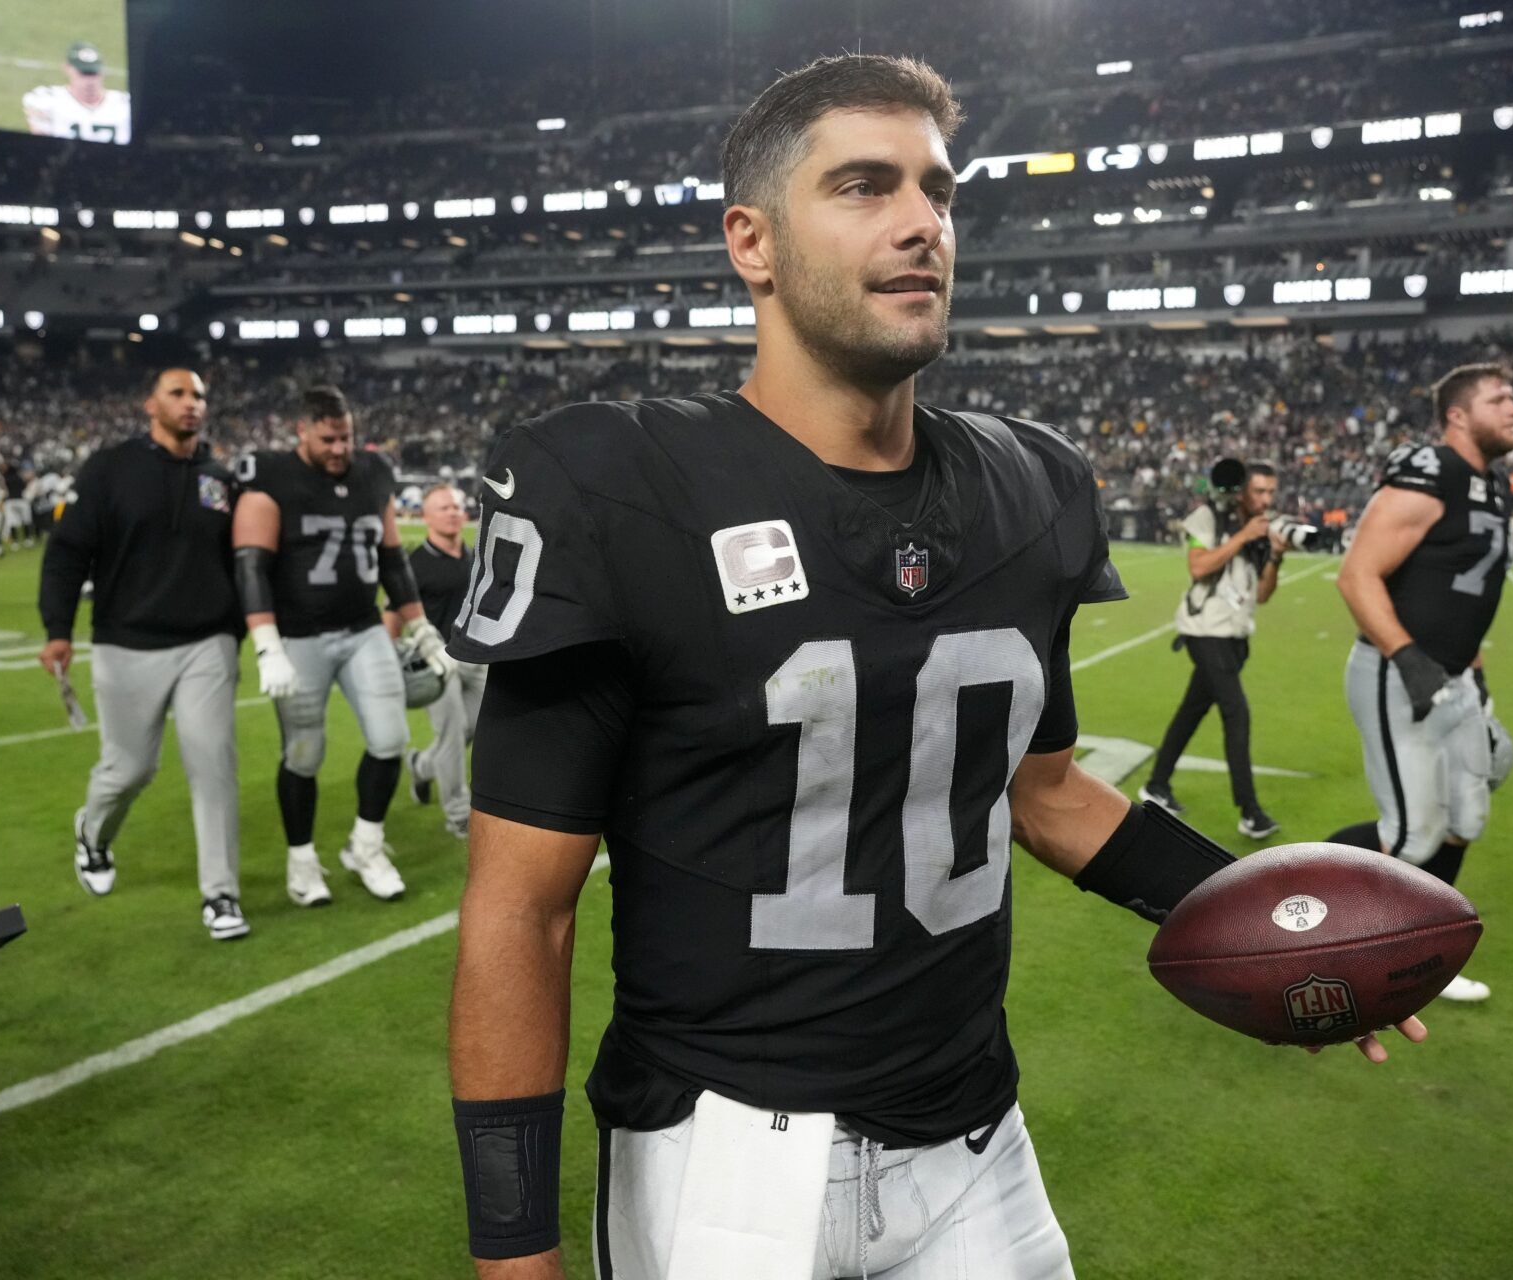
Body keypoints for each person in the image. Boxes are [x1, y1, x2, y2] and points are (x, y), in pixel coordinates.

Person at [445, 55, 1424, 1280]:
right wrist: (512, 1252)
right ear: (750, 241)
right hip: (723, 1157)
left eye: (938, 191)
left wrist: (1273, 918)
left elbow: (1048, 791)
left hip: (976, 1140)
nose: (922, 225)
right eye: (862, 186)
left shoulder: (1031, 485)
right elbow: (520, 910)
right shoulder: (619, 485)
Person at [1332, 363, 1513, 1004]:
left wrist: (1479, 683)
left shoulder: (1490, 486)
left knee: (1466, 814)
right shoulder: (1431, 471)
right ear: (1458, 415)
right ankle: (1293, 894)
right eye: (1500, 398)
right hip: (1398, 675)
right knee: (1413, 832)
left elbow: (1461, 602)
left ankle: (1422, 952)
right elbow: (1358, 575)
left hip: (1455, 677)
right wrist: (1410, 660)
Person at [36, 369, 247, 940]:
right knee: (129, 769)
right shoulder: (110, 468)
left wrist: (242, 631)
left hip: (207, 642)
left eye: (200, 395)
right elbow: (68, 551)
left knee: (213, 764)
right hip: (125, 641)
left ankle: (221, 894)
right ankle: (94, 834)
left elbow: (245, 564)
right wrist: (58, 628)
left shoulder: (222, 479)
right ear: (149, 403)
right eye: (178, 393)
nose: (191, 404)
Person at [231, 385, 455, 907]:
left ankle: (366, 846)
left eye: (346, 437)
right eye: (328, 439)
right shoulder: (272, 475)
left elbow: (393, 559)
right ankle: (302, 861)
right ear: (301, 433)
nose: (338, 449)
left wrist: (421, 628)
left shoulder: (373, 473)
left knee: (389, 739)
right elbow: (252, 565)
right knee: (305, 754)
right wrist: (266, 643)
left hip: (363, 630)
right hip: (299, 636)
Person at [1138, 459, 1286, 840]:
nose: (1266, 499)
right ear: (1241, 491)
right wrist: (1241, 537)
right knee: (1236, 712)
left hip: (1235, 635)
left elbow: (1265, 594)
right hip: (1205, 631)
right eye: (1259, 491)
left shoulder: (1257, 530)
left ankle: (1156, 785)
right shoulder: (1205, 517)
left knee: (1192, 710)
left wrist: (1276, 555)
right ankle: (1250, 811)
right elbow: (1198, 567)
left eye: (1271, 491)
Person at [393, 484, 485, 840]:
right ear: (425, 516)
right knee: (450, 734)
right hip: (437, 659)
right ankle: (459, 814)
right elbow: (394, 614)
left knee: (471, 728)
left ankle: (421, 765)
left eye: (456, 507)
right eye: (443, 507)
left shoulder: (475, 557)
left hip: (475, 655)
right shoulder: (415, 564)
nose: (452, 512)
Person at [22, 41, 131, 144]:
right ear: (67, 68)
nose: (89, 81)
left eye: (93, 74)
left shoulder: (124, 104)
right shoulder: (47, 101)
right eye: (83, 74)